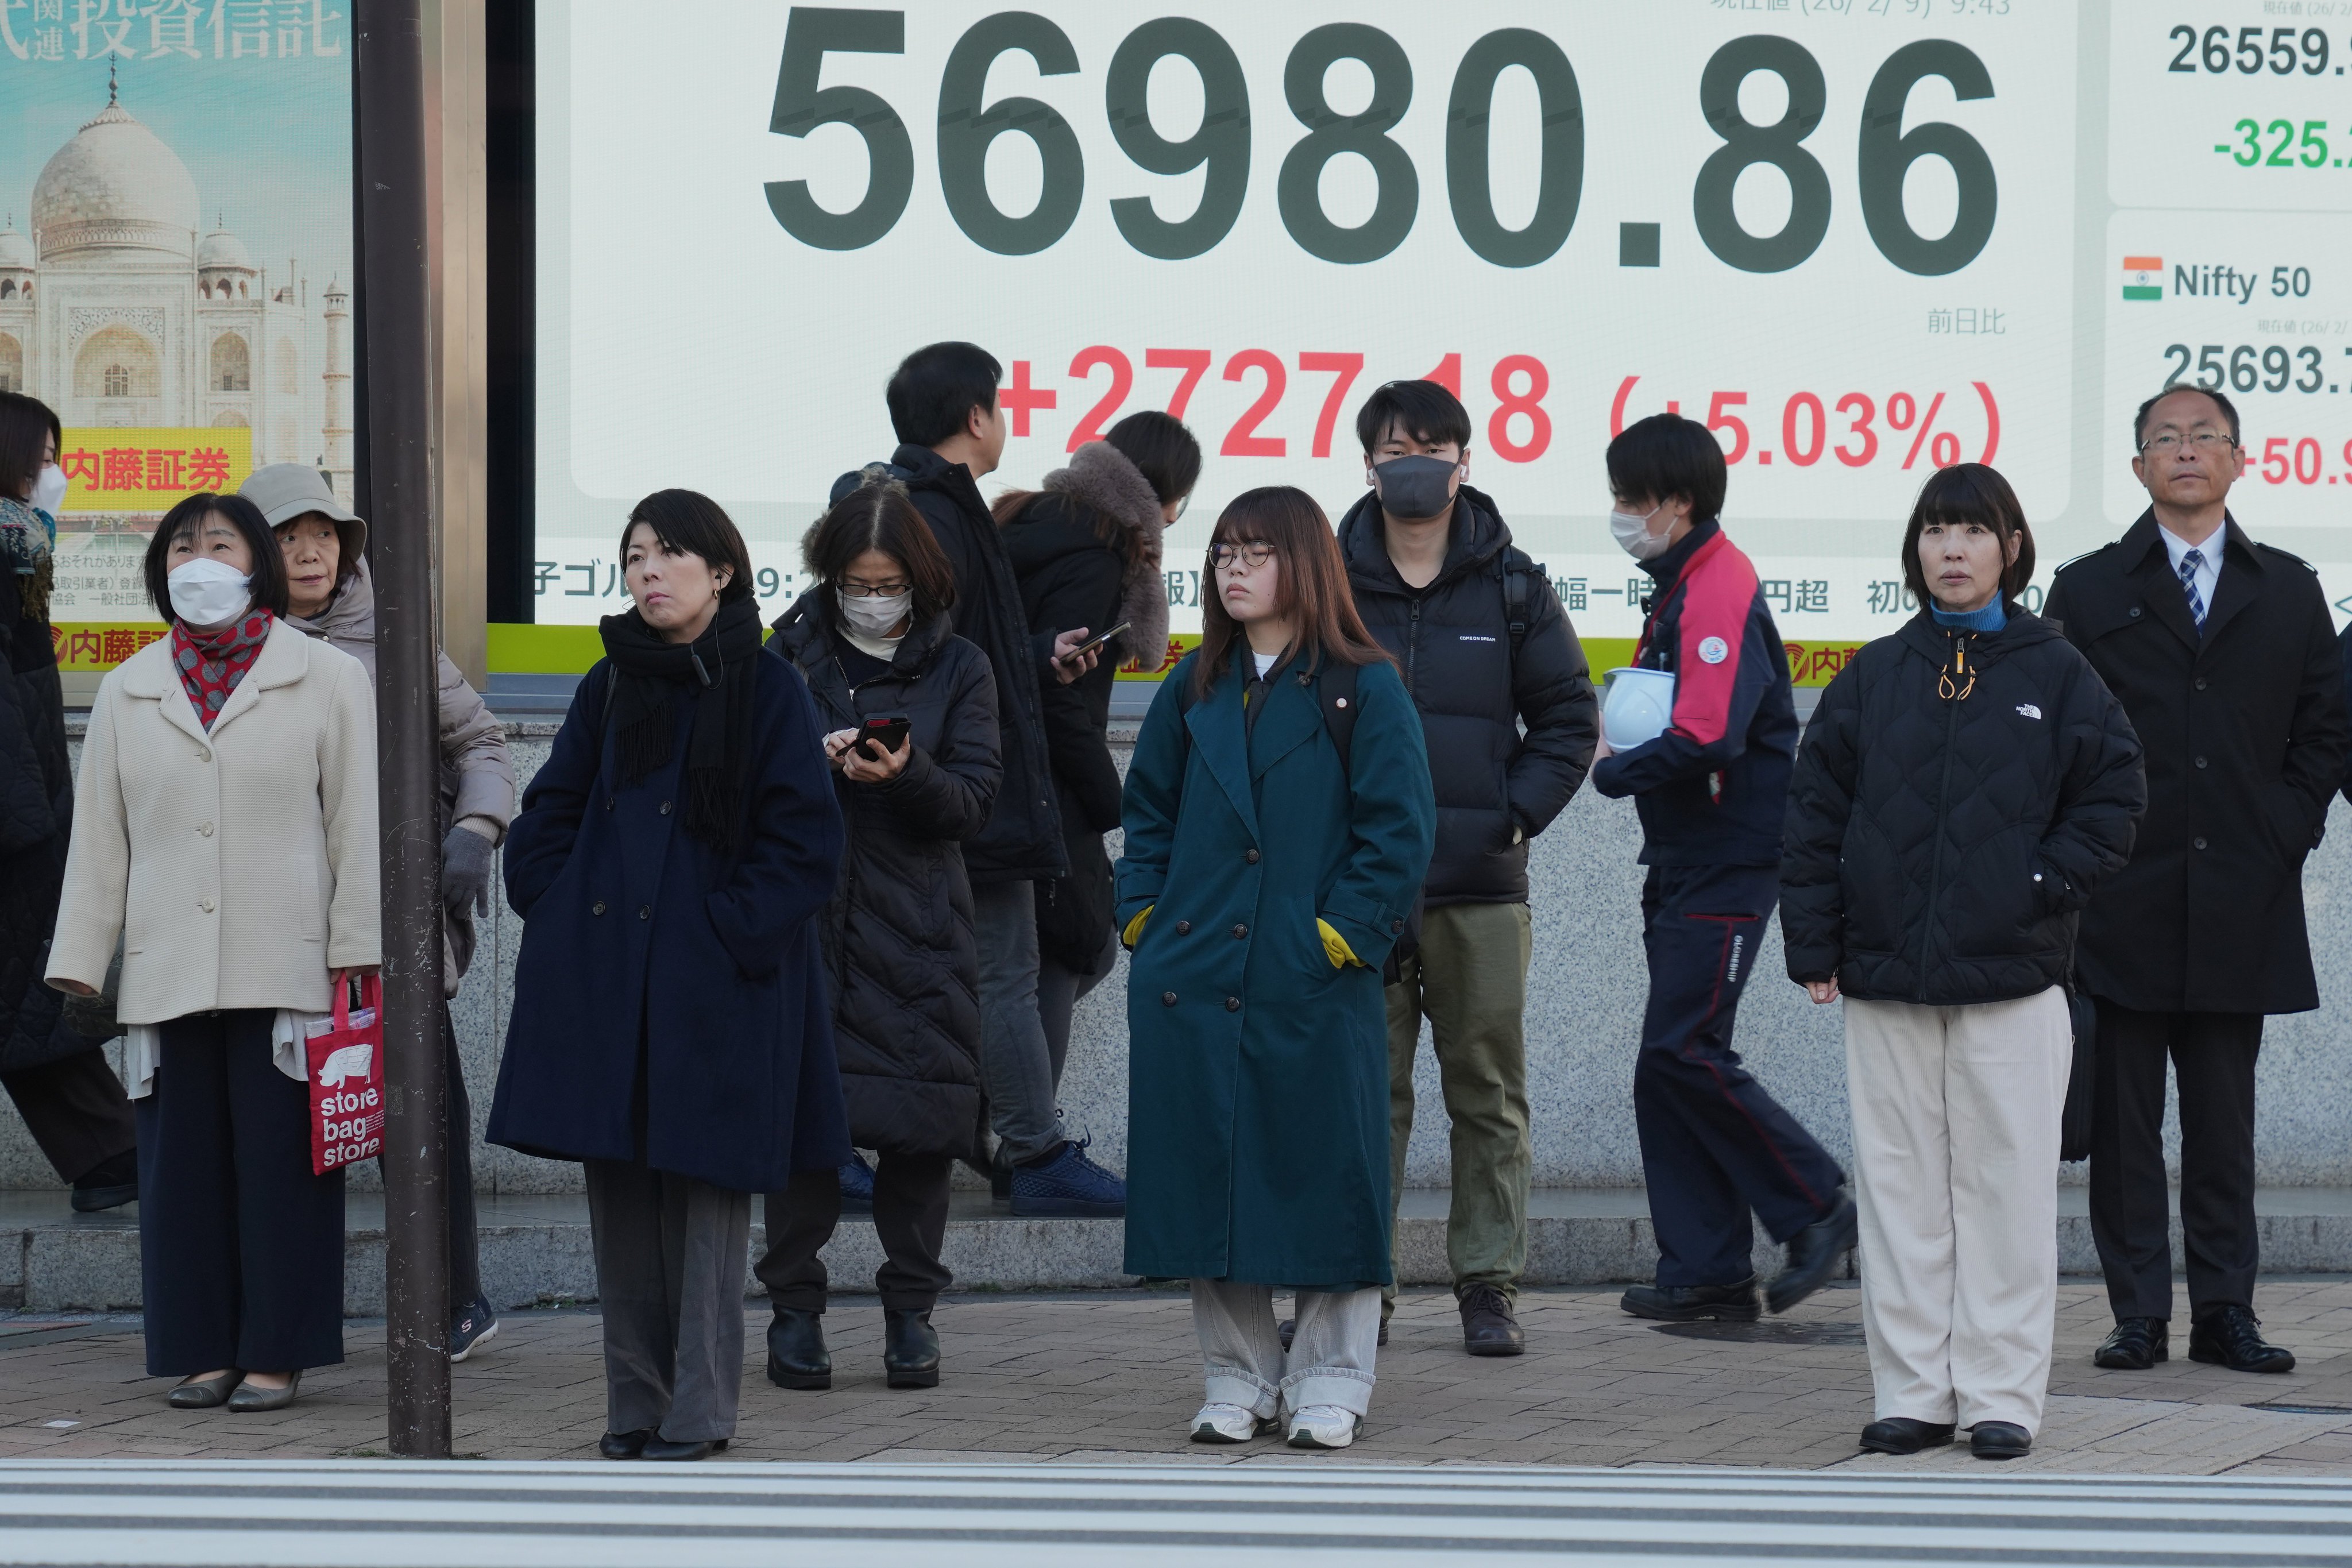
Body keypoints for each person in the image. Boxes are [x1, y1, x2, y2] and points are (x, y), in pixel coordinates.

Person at [1782, 465, 2145, 1462]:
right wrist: (1814, 940)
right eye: (1936, 531)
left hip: (2015, 980)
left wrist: (2036, 886)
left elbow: (2116, 796)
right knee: (1899, 1192)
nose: (1951, 550)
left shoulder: (2055, 671)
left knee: (2007, 1190)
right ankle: (1913, 1391)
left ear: (2010, 549)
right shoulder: (1878, 673)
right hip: (1886, 977)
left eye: (1972, 533)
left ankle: (2000, 1397)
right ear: (1916, 551)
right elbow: (1814, 811)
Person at [491, 489, 846, 1462]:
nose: (648, 572)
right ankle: (631, 1409)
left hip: (720, 987)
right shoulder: (611, 685)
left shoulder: (771, 688)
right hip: (611, 979)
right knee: (623, 1206)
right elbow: (548, 811)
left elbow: (803, 847)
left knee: (707, 1208)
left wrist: (729, 934)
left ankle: (697, 1414)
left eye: (670, 554)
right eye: (635, 555)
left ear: (722, 570)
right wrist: (555, 903)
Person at [1116, 486, 1435, 1451]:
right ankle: (1237, 1375)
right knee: (1210, 1178)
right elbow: (1149, 820)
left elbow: (1399, 832)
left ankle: (1333, 1376)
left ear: (1305, 562)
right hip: (1194, 976)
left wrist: (1335, 938)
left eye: (1256, 552)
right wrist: (1141, 921)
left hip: (1309, 978)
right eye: (1222, 555)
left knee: (1324, 1172)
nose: (1234, 571)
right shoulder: (1192, 686)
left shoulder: (1363, 684)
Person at [48, 491, 380, 1412]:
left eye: (221, 542)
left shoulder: (322, 675)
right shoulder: (130, 684)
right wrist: (82, 957)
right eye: (182, 545)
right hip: (167, 958)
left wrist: (358, 942)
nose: (200, 559)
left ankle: (276, 1350)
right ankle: (200, 1349)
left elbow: (357, 820)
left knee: (283, 1166)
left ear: (256, 564)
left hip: (290, 956)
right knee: (180, 1168)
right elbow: (100, 838)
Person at [2044, 387, 2350, 1376]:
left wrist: (2284, 832)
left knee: (2226, 1124)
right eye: (2165, 439)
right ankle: (2138, 1314)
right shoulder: (2088, 591)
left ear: (2239, 459)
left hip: (2241, 897)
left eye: (2204, 437)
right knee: (2126, 1129)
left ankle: (2227, 1312)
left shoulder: (2292, 592)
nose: (2186, 452)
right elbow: (2058, 739)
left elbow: (2325, 732)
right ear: (2137, 467)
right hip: (2122, 900)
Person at [1334, 379, 1597, 1357]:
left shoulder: (1512, 584)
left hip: (1481, 889)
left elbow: (1569, 718)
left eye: (1433, 445)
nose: (1416, 462)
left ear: (1464, 459)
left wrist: (1510, 818)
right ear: (1369, 462)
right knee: (1368, 1097)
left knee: (1486, 1093)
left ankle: (1488, 1285)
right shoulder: (1327, 578)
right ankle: (1362, 1285)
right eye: (1398, 446)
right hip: (1360, 892)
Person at [240, 463, 516, 1361]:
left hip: (389, 915)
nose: (310, 550)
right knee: (282, 1126)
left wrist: (475, 827)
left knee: (419, 1109)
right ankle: (281, 1322)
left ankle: (455, 1299)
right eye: (286, 536)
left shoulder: (396, 635)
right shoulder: (229, 648)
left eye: (324, 532)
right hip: (270, 921)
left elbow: (479, 738)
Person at [844, 342, 1121, 1217]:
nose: (1003, 422)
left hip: (943, 782)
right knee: (1003, 968)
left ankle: (968, 1142)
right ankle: (1031, 1150)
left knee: (942, 969)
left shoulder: (929, 507)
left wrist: (1036, 657)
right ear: (975, 417)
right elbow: (917, 659)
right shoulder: (934, 513)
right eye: (997, 407)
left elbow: (957, 650)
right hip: (959, 792)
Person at [1591, 414, 1854, 1323]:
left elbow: (1707, 732)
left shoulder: (1715, 582)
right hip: (1686, 852)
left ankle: (1817, 1205)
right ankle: (1702, 1268)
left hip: (1728, 854)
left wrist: (1611, 771)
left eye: (1630, 498)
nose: (1620, 513)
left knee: (1683, 1048)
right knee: (1664, 1062)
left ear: (1677, 501)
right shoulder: (1678, 582)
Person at [759, 475, 1002, 1393]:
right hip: (809, 921)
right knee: (802, 1131)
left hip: (919, 925)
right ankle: (793, 1311)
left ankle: (911, 1316)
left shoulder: (960, 666)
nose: (871, 597)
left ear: (919, 578)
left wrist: (903, 771)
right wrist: (808, 763)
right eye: (855, 582)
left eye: (886, 580)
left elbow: (974, 801)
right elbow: (748, 788)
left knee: (918, 1129)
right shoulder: (784, 654)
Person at [995, 410, 1195, 1090]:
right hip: (1045, 785)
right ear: (1165, 497)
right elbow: (1059, 699)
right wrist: (1118, 803)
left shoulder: (1032, 518)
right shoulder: (1097, 557)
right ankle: (1023, 1144)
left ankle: (996, 1118)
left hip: (994, 773)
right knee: (1074, 946)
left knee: (1051, 954)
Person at [0, 391, 138, 1214]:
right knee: (33, 993)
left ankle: (112, 1157)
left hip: (28, 807)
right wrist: (30, 821)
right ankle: (113, 1155)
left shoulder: (20, 549)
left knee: (30, 994)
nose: (55, 474)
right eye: (42, 457)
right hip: (18, 817)